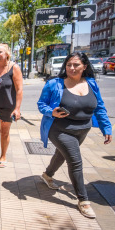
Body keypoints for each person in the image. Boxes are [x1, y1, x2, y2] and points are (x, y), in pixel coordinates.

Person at [37, 52, 112, 219]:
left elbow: (99, 108)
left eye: (76, 65)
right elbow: (41, 104)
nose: (71, 68)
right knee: (75, 161)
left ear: (84, 66)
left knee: (62, 155)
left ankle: (47, 175)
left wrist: (106, 128)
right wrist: (52, 112)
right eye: (69, 64)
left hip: (83, 129)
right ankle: (83, 201)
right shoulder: (54, 84)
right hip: (59, 129)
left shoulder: (91, 83)